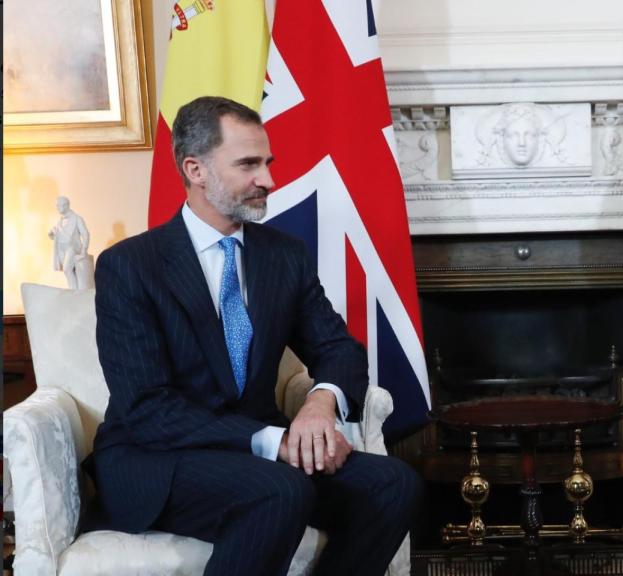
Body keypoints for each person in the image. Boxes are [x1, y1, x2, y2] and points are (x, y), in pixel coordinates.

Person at [87, 96, 421, 576]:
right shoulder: (130, 266)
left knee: (394, 483)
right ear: (195, 169)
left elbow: (339, 349)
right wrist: (276, 441)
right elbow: (148, 410)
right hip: (157, 460)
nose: (268, 179)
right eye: (249, 164)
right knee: (281, 489)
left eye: (267, 163)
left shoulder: (283, 255)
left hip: (259, 455)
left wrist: (320, 402)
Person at [49, 195, 93, 289]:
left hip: (72, 248)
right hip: (61, 249)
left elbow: (85, 234)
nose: (57, 208)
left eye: (59, 205)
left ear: (66, 205)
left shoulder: (77, 219)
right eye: (57, 206)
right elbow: (58, 234)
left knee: (67, 269)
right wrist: (52, 234)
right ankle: (74, 291)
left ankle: (74, 292)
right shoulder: (59, 220)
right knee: (70, 271)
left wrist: (84, 250)